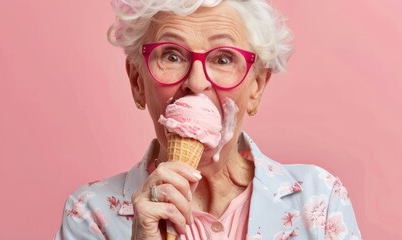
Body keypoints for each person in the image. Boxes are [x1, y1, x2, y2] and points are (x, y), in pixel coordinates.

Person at [55, 0, 361, 239]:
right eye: (172, 55)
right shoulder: (91, 214)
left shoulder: (319, 202)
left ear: (256, 87)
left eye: (223, 58)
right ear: (137, 81)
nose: (197, 82)